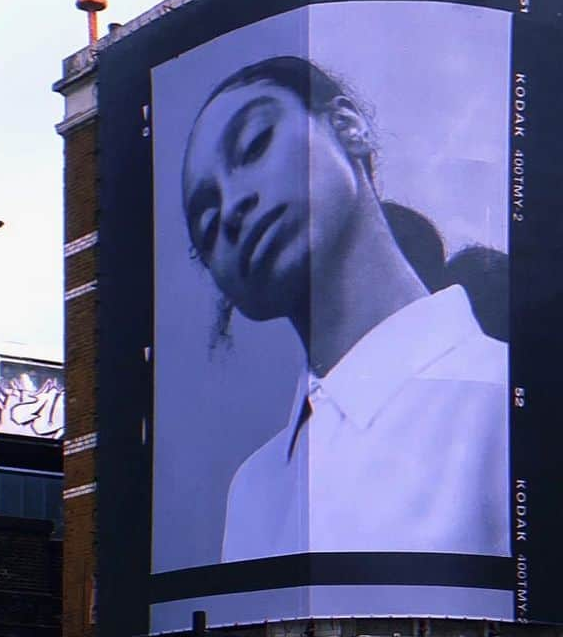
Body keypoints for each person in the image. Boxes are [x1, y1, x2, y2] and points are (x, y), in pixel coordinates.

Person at [181, 55, 510, 562]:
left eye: (254, 144)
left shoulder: (505, 397)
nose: (233, 208)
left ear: (347, 126)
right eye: (207, 221)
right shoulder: (253, 488)